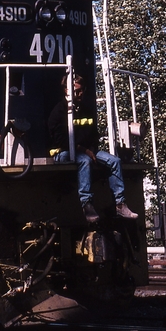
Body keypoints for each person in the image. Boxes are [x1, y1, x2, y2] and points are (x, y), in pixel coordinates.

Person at [48, 74, 137, 224]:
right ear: (66, 91)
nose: (81, 93)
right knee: (84, 161)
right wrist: (84, 150)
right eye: (77, 90)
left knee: (114, 161)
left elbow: (93, 134)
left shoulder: (86, 110)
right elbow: (59, 140)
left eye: (82, 90)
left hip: (87, 151)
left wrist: (91, 148)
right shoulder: (58, 112)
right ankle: (87, 204)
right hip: (62, 153)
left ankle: (120, 204)